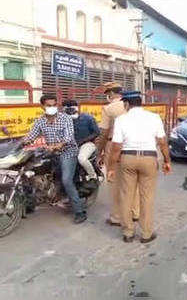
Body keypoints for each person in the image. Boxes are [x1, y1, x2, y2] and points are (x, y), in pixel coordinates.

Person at [106, 91, 172, 243]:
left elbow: (116, 147)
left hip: (127, 158)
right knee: (146, 197)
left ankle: (128, 232)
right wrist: (167, 161)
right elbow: (162, 142)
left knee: (126, 195)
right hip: (149, 158)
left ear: (127, 104)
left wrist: (110, 168)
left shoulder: (121, 119)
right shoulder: (154, 117)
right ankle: (146, 234)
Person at [23, 94, 87, 224]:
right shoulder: (40, 121)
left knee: (66, 180)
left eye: (54, 105)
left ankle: (79, 211)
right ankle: (31, 203)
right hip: (51, 152)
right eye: (48, 105)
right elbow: (31, 135)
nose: (52, 108)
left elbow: (69, 137)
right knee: (29, 171)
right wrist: (22, 142)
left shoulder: (65, 118)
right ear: (42, 106)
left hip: (68, 152)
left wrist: (57, 145)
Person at [96, 81, 140, 227]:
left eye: (107, 94)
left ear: (110, 94)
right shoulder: (134, 106)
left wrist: (99, 151)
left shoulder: (109, 108)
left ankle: (116, 217)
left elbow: (104, 132)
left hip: (114, 145)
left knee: (114, 182)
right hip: (134, 146)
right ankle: (135, 212)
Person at [62, 100, 100, 184]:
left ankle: (92, 176)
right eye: (66, 110)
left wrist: (82, 141)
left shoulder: (87, 118)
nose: (69, 112)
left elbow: (96, 132)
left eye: (71, 109)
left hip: (87, 144)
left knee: (82, 159)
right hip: (69, 146)